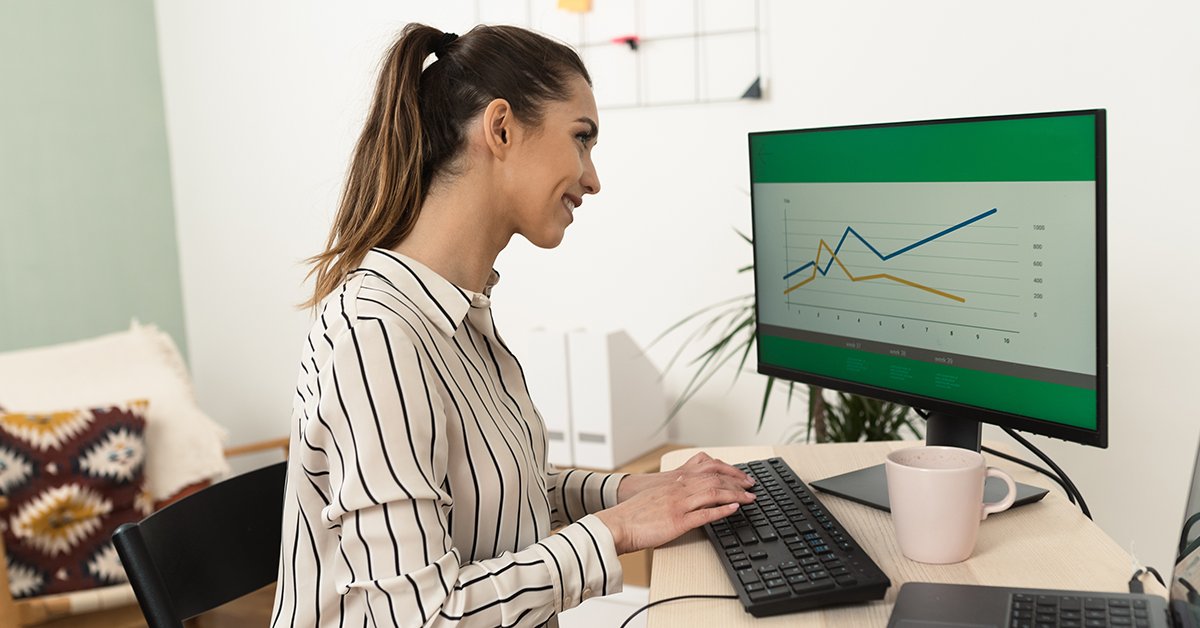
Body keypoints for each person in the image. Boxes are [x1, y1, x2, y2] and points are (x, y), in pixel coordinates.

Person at [271, 23, 756, 627]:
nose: (593, 178)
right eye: (581, 138)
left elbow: (499, 492)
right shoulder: (376, 335)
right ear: (500, 128)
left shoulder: (455, 315)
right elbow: (421, 616)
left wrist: (633, 492)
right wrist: (617, 530)